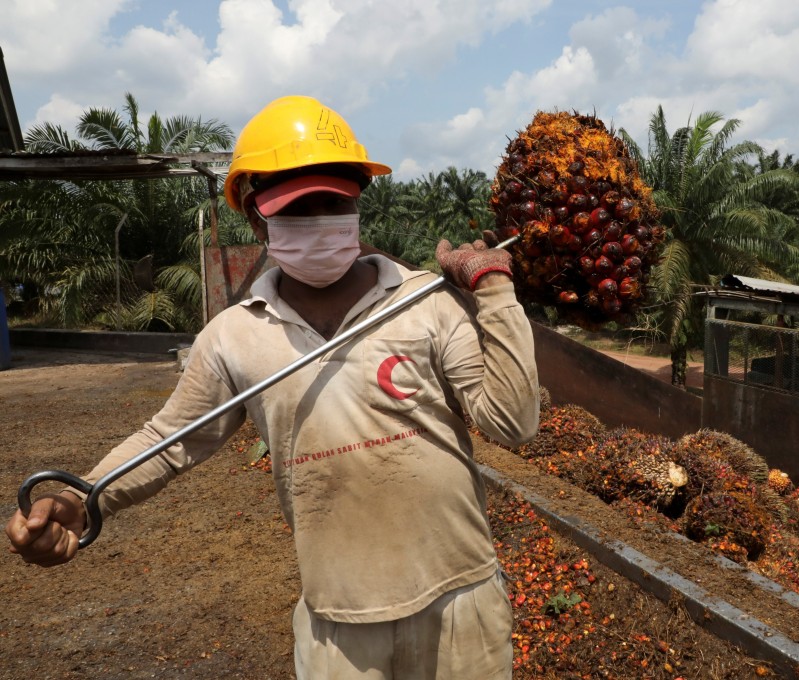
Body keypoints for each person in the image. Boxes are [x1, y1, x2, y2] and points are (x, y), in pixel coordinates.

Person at [6, 95, 540, 679]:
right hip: (339, 619)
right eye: (295, 207)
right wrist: (85, 499)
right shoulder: (234, 337)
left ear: (358, 202)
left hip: (462, 600)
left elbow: (512, 424)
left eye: (330, 201)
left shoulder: (424, 304)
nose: (317, 220)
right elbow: (170, 438)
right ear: (256, 217)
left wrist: (493, 291)